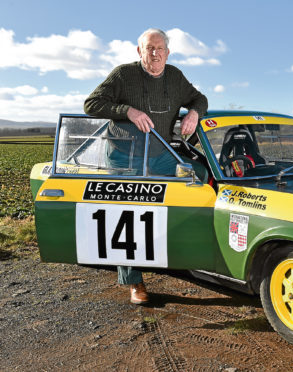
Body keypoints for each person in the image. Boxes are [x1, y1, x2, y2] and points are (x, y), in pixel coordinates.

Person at [84, 28, 208, 305]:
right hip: (124, 156)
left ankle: (187, 249)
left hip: (160, 154)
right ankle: (134, 281)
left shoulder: (175, 76)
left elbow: (199, 98)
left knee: (198, 176)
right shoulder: (123, 75)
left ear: (167, 52)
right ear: (139, 51)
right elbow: (91, 104)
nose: (155, 53)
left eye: (160, 48)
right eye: (149, 48)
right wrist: (127, 111)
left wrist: (195, 114)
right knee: (128, 215)